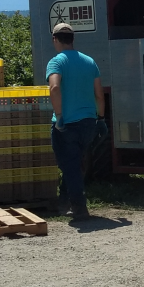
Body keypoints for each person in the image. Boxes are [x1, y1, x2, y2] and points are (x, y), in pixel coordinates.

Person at [47, 22, 105, 220]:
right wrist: (102, 118)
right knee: (74, 163)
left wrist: (60, 116)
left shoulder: (57, 62)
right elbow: (99, 94)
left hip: (67, 124)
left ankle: (79, 208)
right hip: (89, 123)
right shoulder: (90, 62)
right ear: (72, 39)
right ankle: (63, 203)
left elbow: (54, 88)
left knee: (69, 166)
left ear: (55, 39)